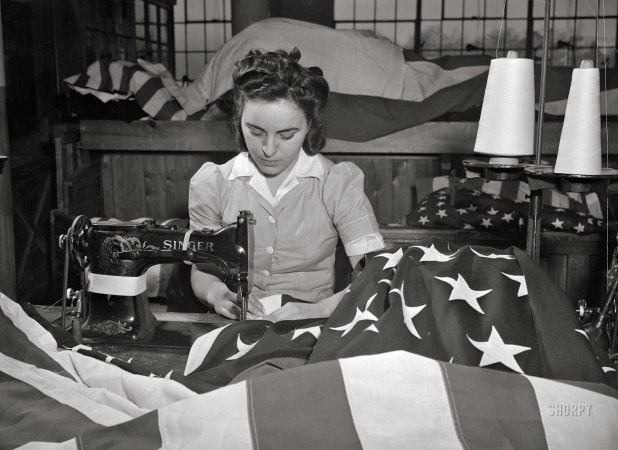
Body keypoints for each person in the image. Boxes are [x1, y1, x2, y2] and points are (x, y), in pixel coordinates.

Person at [189, 47, 385, 321]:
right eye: (255, 132)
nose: (269, 149)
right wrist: (216, 294)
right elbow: (203, 269)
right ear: (238, 121)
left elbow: (375, 274)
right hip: (234, 326)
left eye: (287, 134)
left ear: (308, 127)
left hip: (316, 324)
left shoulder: (338, 184)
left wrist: (319, 310)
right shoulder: (212, 184)